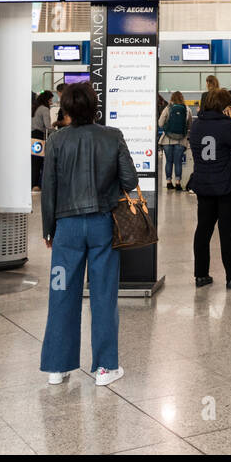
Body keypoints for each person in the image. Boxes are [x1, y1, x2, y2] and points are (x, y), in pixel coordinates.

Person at [39, 82, 138, 387]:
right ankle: (106, 368)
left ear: (66, 109)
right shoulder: (112, 136)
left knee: (61, 292)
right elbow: (130, 180)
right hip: (103, 226)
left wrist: (48, 229)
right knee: (104, 295)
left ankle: (57, 366)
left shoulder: (56, 140)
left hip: (66, 229)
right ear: (94, 106)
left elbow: (49, 189)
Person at [188, 87, 231, 290]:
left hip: (204, 185)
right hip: (228, 186)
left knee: (203, 230)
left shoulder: (196, 125)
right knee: (228, 233)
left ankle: (201, 275)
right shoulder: (225, 125)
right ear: (224, 106)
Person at [159, 92, 191, 190]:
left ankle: (168, 182)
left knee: (169, 161)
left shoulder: (168, 108)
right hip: (181, 140)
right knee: (178, 162)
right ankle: (178, 183)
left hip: (167, 140)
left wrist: (167, 127)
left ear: (172, 98)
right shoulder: (187, 109)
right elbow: (189, 125)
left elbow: (160, 123)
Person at [31, 90, 54, 190]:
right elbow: (48, 127)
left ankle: (33, 182)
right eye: (50, 100)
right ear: (46, 100)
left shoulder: (35, 108)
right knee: (37, 160)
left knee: (33, 160)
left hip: (31, 134)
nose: (51, 103)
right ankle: (35, 184)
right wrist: (57, 132)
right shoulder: (44, 109)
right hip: (38, 136)